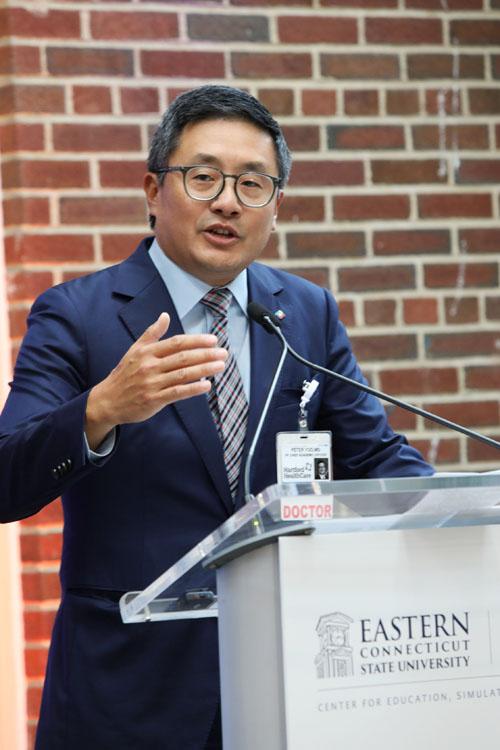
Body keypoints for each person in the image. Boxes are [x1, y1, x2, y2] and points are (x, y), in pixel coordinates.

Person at [0, 85, 433, 749]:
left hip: (285, 689)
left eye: (253, 183)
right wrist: (102, 409)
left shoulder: (305, 312)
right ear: (153, 190)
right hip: (128, 698)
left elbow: (374, 458)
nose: (228, 201)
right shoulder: (77, 315)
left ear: (276, 208)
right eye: (204, 177)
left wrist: (457, 510)